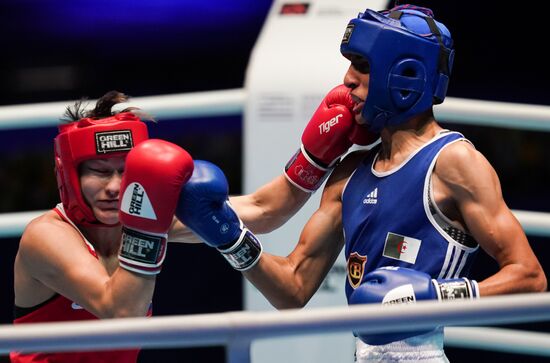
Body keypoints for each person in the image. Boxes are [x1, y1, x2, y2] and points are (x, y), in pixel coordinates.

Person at [175, 4, 547, 362]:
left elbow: (530, 277)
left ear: (404, 73)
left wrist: (435, 296)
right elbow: (292, 287)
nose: (347, 79)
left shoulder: (454, 162)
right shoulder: (349, 172)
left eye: (363, 65)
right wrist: (229, 238)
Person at [11, 87, 363, 362]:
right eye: (100, 172)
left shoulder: (138, 217)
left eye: (125, 172)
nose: (115, 187)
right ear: (70, 176)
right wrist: (148, 223)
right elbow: (121, 311)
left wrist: (319, 153)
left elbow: (266, 210)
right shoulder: (47, 236)